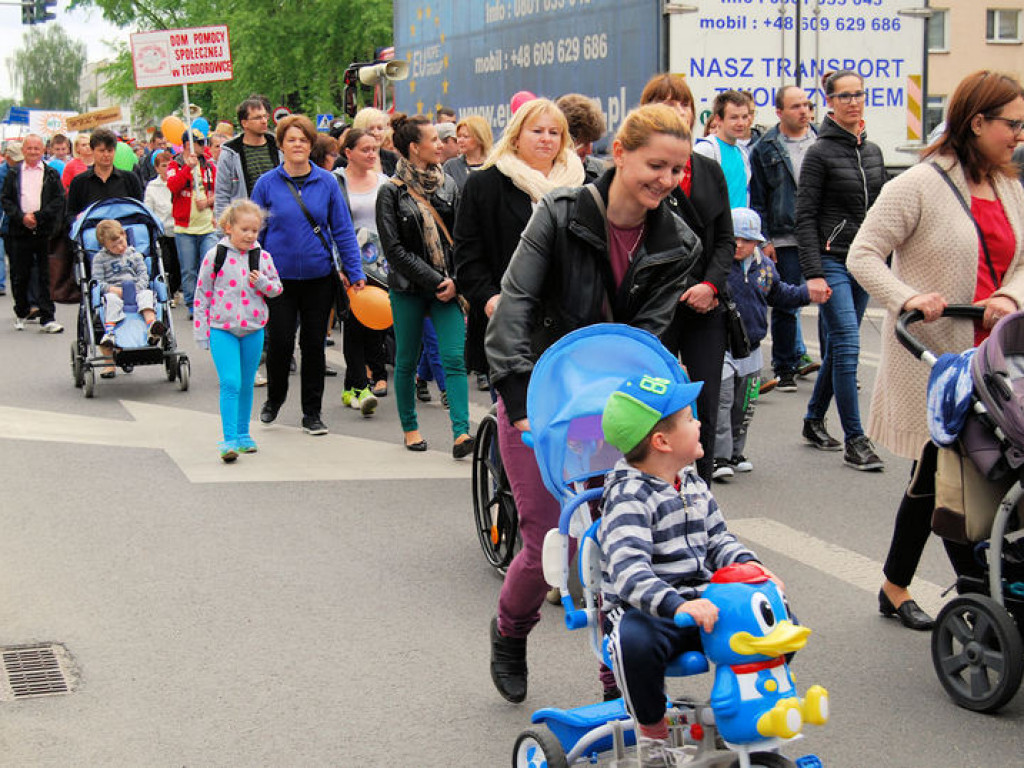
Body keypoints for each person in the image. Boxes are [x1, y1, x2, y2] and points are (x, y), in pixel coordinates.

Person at [484, 103, 702, 703]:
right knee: (547, 538)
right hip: (541, 396)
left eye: (677, 170)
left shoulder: (678, 241)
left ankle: (616, 675)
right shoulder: (558, 214)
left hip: (614, 407)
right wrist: (518, 397)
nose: (665, 179)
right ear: (620, 154)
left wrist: (652, 420)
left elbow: (647, 340)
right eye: (655, 164)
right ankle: (510, 630)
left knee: (618, 538)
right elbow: (516, 305)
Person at [848, 70, 1024, 630]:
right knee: (944, 469)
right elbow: (864, 254)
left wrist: (1007, 294)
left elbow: (1022, 264)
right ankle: (972, 592)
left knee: (960, 473)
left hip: (996, 358)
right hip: (937, 358)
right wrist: (908, 297)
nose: (1019, 134)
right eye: (1012, 124)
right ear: (977, 123)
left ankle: (902, 586)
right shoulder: (918, 184)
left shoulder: (1010, 188)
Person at [598, 373, 776, 767]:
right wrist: (677, 604)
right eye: (689, 418)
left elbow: (718, 540)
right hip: (647, 610)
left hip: (703, 601)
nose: (699, 423)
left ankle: (745, 708)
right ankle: (654, 736)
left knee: (772, 618)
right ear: (662, 442)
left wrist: (751, 569)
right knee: (634, 642)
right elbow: (629, 573)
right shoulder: (629, 498)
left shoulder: (691, 482)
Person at [640, 74, 735, 486]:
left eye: (683, 104)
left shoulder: (710, 170)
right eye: (665, 103)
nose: (677, 111)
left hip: (706, 302)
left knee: (706, 399)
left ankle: (703, 489)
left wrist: (711, 285)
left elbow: (726, 238)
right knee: (657, 399)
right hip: (658, 303)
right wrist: (676, 289)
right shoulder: (638, 171)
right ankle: (655, 484)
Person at [454, 99, 585, 397]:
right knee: (515, 421)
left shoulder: (583, 186)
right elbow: (467, 255)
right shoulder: (485, 185)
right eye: (537, 130)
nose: (546, 139)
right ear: (516, 135)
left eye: (554, 132)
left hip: (570, 323)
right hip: (511, 321)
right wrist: (489, 299)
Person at [795, 69, 886, 470]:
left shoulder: (874, 152)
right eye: (844, 96)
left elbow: (886, 214)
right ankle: (856, 439)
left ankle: (814, 419)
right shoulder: (819, 153)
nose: (853, 101)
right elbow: (805, 216)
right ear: (829, 101)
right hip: (831, 260)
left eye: (858, 94)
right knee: (848, 343)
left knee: (837, 348)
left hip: (864, 260)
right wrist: (813, 272)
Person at [252, 114, 365, 436]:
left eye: (303, 139)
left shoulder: (327, 182)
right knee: (280, 343)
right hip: (279, 280)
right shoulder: (267, 183)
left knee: (314, 345)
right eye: (291, 140)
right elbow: (255, 232)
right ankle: (274, 400)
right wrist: (251, 271)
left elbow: (342, 230)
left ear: (311, 144)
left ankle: (311, 413)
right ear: (282, 145)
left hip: (319, 278)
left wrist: (354, 271)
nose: (297, 145)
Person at [376, 114, 471, 456]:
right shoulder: (389, 192)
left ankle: (462, 433)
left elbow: (463, 240)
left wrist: (455, 282)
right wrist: (436, 281)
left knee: (454, 359)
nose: (442, 145)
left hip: (449, 288)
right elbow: (394, 251)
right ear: (415, 148)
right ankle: (410, 428)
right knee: (406, 361)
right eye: (434, 139)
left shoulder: (449, 186)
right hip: (410, 289)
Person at [712, 208, 814, 481]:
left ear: (757, 242)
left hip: (752, 346)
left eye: (746, 239)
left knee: (745, 404)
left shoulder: (766, 267)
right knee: (722, 401)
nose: (739, 244)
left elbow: (779, 293)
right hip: (722, 346)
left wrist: (806, 293)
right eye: (734, 238)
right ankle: (717, 456)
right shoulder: (717, 264)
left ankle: (735, 452)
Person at [194, 200, 283, 462]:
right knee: (230, 382)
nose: (250, 235)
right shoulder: (215, 256)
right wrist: (201, 331)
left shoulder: (262, 257)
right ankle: (229, 439)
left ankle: (244, 435)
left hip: (254, 329)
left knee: (246, 384)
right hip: (222, 328)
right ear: (228, 228)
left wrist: (264, 283)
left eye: (254, 230)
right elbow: (202, 294)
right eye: (244, 229)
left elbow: (277, 289)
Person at [750, 86, 821, 392]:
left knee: (827, 301)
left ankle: (834, 364)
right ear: (779, 112)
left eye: (806, 105)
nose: (803, 111)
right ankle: (785, 365)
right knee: (786, 302)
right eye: (795, 106)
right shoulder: (766, 147)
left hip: (822, 236)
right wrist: (765, 239)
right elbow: (760, 199)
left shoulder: (822, 140)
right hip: (785, 236)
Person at [334, 128, 391, 413]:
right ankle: (359, 386)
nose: (371, 154)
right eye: (365, 149)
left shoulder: (384, 182)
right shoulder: (335, 182)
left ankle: (367, 379)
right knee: (354, 325)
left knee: (375, 325)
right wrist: (338, 266)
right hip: (348, 263)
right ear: (348, 152)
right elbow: (330, 225)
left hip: (381, 265)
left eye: (374, 149)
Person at [1, 134, 65, 333]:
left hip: (42, 229)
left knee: (45, 275)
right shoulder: (13, 173)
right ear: (23, 150)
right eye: (29, 148)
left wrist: (38, 216)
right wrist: (21, 217)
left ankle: (48, 316)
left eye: (37, 148)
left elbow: (58, 199)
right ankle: (21, 312)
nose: (33, 152)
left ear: (43, 150)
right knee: (20, 274)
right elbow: (6, 200)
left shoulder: (51, 173)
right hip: (19, 230)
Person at [91, 218, 168, 375]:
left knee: (147, 294)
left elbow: (143, 276)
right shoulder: (100, 259)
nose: (119, 247)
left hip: (136, 290)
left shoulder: (135, 255)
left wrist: (136, 289)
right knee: (110, 301)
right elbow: (98, 282)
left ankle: (151, 327)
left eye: (121, 242)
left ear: (124, 235)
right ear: (105, 246)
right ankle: (110, 334)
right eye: (114, 246)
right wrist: (112, 289)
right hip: (115, 292)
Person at [166, 131, 217, 319]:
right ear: (187, 144)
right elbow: (173, 186)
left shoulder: (210, 165)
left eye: (204, 142)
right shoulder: (175, 164)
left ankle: (208, 303)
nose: (203, 146)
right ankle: (191, 304)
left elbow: (220, 191)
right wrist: (187, 169)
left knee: (208, 266)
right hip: (184, 228)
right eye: (199, 142)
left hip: (208, 226)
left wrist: (209, 202)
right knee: (188, 269)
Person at [214, 96, 282, 220]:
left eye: (264, 116)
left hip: (277, 220)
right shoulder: (230, 154)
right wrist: (223, 231)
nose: (263, 121)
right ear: (244, 123)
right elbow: (222, 195)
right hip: (245, 222)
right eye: (257, 118)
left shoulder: (278, 147)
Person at [66, 129, 144, 221]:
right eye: (102, 151)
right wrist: (77, 218)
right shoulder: (79, 182)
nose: (106, 155)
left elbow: (140, 210)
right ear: (92, 150)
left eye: (110, 150)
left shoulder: (130, 179)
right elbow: (70, 215)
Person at [694, 90, 752, 209]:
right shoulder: (705, 150)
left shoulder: (743, 153)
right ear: (718, 119)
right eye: (734, 118)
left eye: (744, 117)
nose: (741, 123)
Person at [143, 150, 181, 301]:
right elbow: (148, 209)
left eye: (168, 165)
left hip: (178, 229)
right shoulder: (152, 187)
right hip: (162, 231)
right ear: (157, 168)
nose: (166, 169)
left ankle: (175, 288)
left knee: (178, 264)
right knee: (166, 262)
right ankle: (168, 292)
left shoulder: (178, 182)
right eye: (163, 166)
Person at [556, 92, 608, 180]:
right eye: (584, 143)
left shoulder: (603, 174)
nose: (589, 151)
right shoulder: (533, 176)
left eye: (590, 142)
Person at [443, 115, 493, 191]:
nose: (460, 141)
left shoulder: (495, 165)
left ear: (480, 138)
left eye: (466, 137)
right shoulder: (451, 167)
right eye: (459, 136)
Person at [353, 108, 399, 176]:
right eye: (371, 129)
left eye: (380, 128)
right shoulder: (347, 159)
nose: (376, 133)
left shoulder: (391, 158)